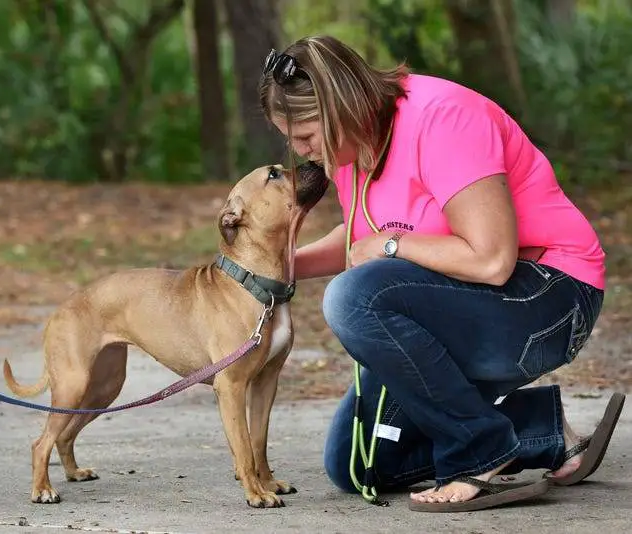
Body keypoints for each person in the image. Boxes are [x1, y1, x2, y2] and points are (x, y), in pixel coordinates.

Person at [258, 35, 625, 512]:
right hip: (463, 306)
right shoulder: (352, 149)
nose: (300, 150)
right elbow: (361, 233)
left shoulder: (444, 117)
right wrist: (267, 268)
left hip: (547, 298)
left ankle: (479, 450)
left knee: (353, 298)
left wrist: (392, 246)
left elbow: (492, 261)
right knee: (359, 462)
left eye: (304, 135)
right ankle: (543, 431)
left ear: (339, 106)